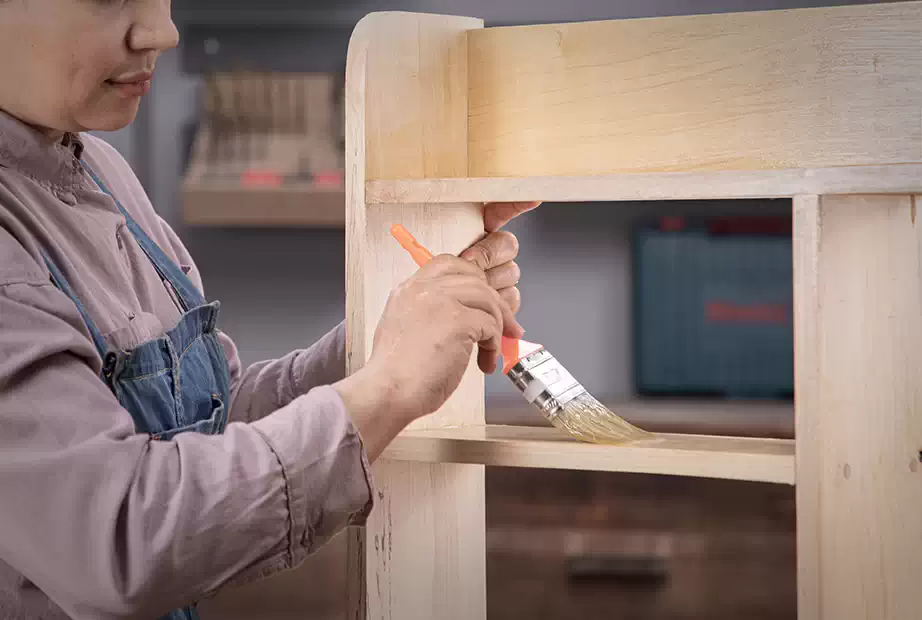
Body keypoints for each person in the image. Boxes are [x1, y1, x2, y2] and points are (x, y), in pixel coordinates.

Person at [0, 1, 539, 619]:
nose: (162, 32)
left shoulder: (97, 168)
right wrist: (387, 389)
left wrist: (392, 338)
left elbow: (210, 426)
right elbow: (117, 540)